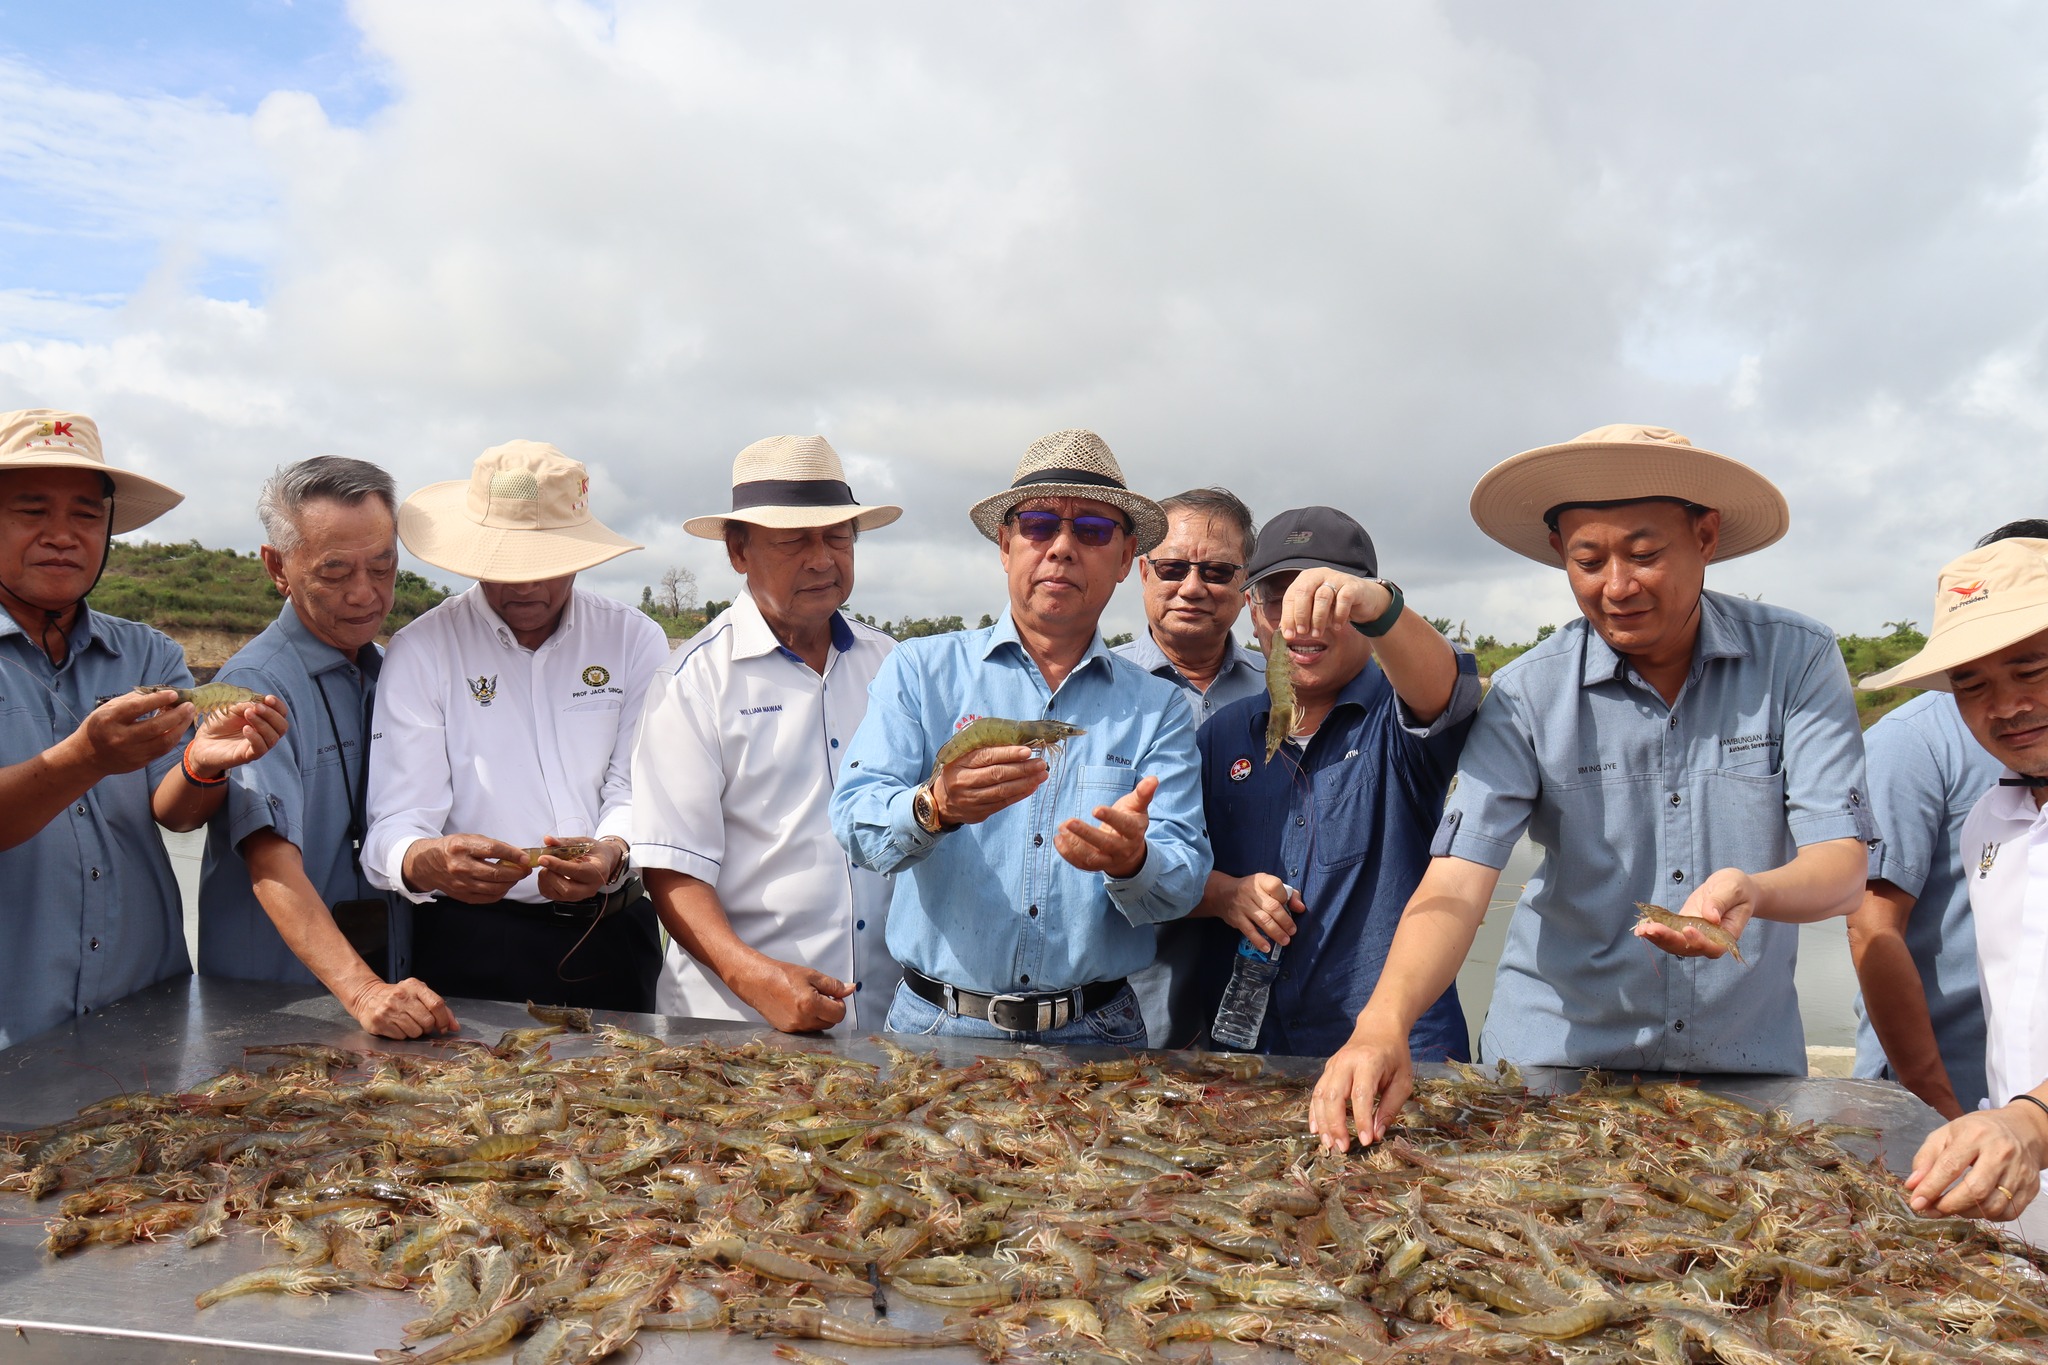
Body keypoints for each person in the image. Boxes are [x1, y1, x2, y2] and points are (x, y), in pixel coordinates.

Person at [1311, 424, 1873, 1149]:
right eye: (1588, 559)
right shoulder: (1525, 693)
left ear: (1705, 535)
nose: (1617, 586)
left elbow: (1843, 869)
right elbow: (1456, 877)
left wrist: (1755, 891)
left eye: (1645, 554)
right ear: (1558, 555)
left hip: (1745, 1074)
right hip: (1554, 1066)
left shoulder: (1798, 661)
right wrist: (1382, 1022)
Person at [831, 429, 1209, 1043]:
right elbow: (854, 822)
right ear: (1004, 545)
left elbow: (1184, 878)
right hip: (934, 1028)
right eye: (1037, 525)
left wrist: (1135, 861)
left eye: (1091, 530)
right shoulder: (918, 671)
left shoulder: (1160, 707)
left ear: (1124, 557)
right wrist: (933, 807)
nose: (1061, 548)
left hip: (1098, 1034)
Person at [0, 409, 285, 1049]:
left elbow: (177, 815)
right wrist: (84, 759)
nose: (61, 535)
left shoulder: (148, 655)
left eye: (84, 515)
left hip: (143, 1008)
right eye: (31, 510)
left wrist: (203, 766)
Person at [364, 440, 670, 1012]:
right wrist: (426, 860)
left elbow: (634, 787)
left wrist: (610, 853)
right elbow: (395, 822)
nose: (524, 586)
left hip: (612, 933)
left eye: (544, 566)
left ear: (579, 555)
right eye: (502, 566)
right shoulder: (423, 649)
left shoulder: (633, 638)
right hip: (471, 942)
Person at [1184, 506, 1481, 1057]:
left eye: (1328, 599)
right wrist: (1225, 895)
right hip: (1251, 1060)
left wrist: (1379, 604)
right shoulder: (1220, 735)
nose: (1300, 621)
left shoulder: (1403, 719)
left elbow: (1450, 689)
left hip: (1403, 1054)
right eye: (1278, 598)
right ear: (1251, 611)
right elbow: (1171, 870)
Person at [633, 435, 901, 1032]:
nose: (822, 558)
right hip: (734, 1026)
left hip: (889, 1024)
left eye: (838, 536)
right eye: (793, 540)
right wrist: (756, 979)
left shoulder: (893, 668)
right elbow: (671, 869)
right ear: (738, 550)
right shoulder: (692, 682)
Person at [198, 457, 456, 1039]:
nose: (366, 595)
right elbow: (269, 857)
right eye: (335, 572)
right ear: (277, 567)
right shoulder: (257, 688)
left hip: (379, 1000)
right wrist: (363, 990)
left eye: (384, 567)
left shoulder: (388, 671)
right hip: (277, 1007)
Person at [1861, 537, 2048, 1242]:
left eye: (2031, 667)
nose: (2007, 705)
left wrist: (2031, 1120)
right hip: (2018, 1204)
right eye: (1971, 684)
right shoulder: (1989, 821)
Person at [1114, 486, 1267, 1045]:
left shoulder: (1290, 692)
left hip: (1266, 992)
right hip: (1130, 1001)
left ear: (1247, 581)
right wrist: (1221, 893)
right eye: (1173, 567)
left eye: (1219, 572)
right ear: (1141, 572)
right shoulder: (1097, 691)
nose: (1193, 588)